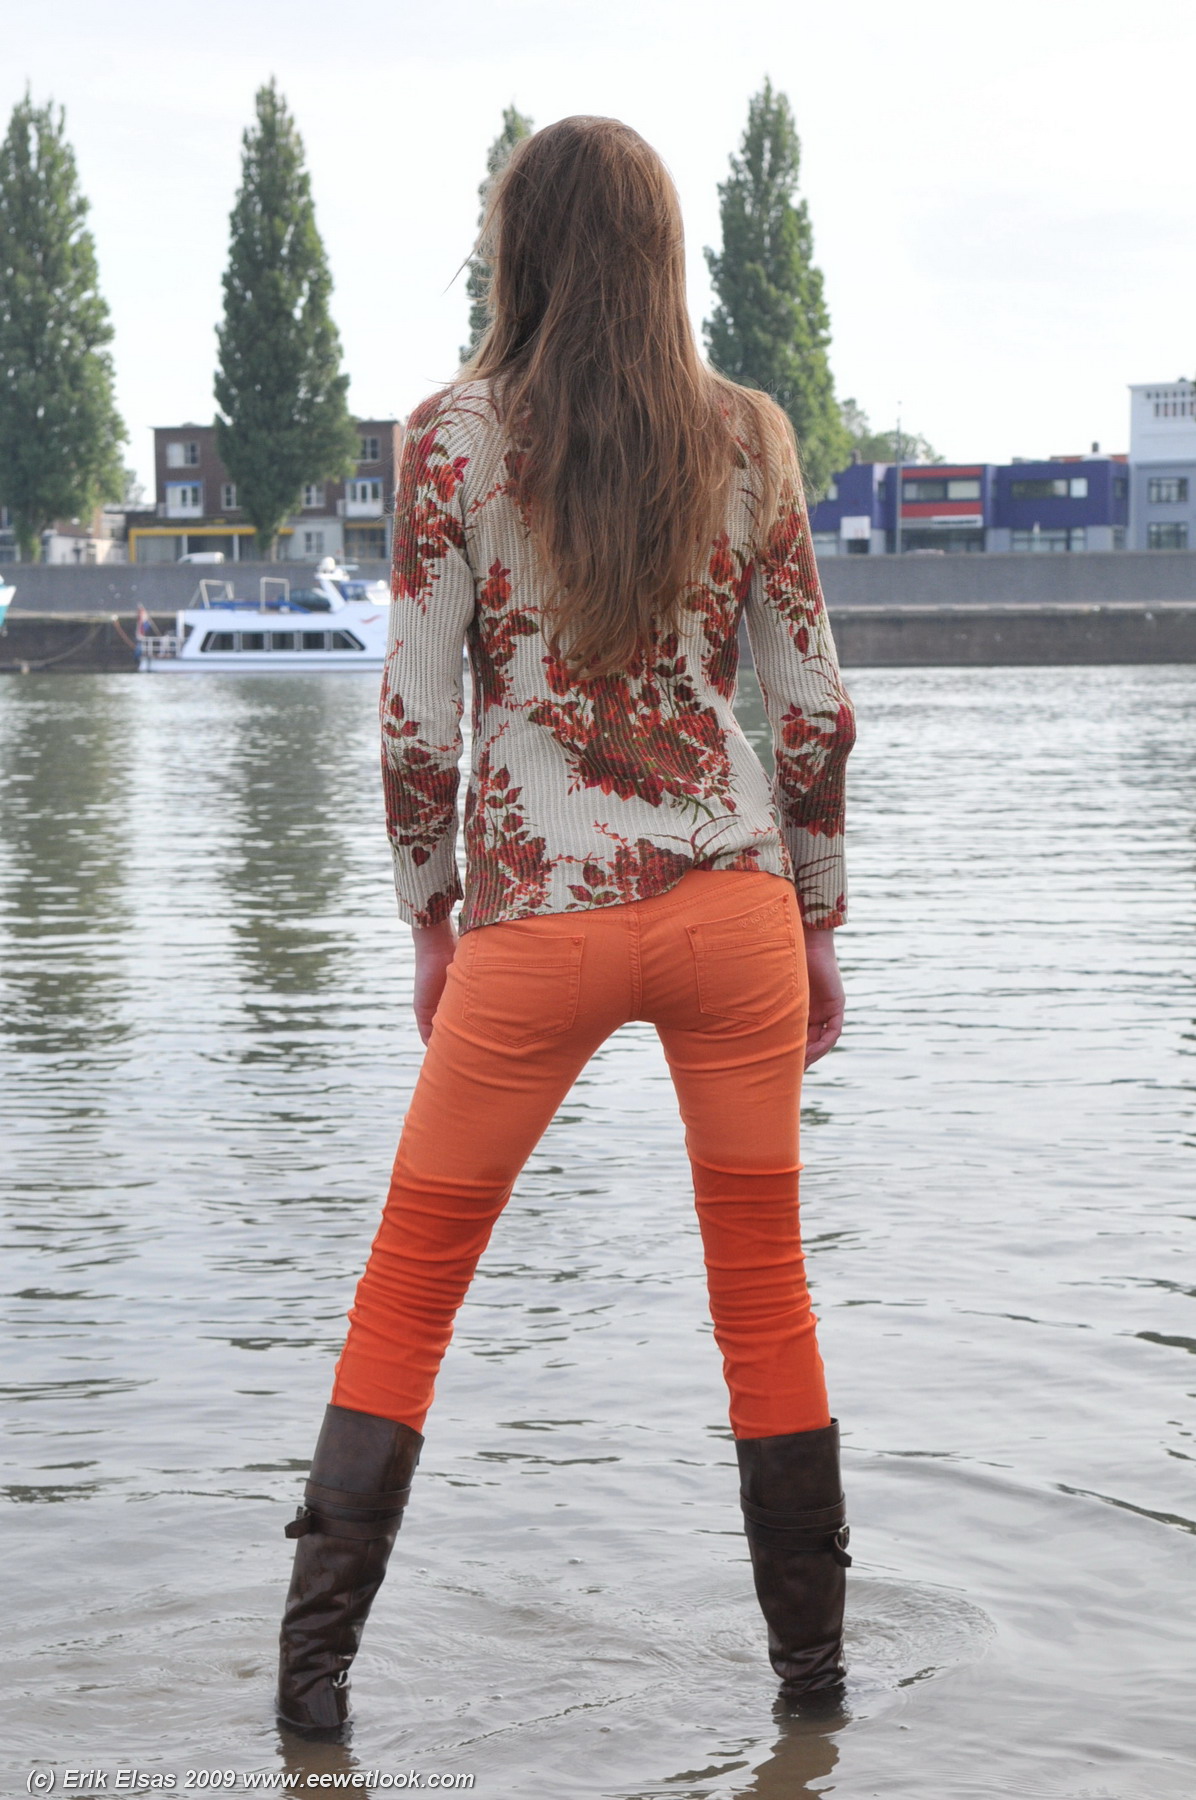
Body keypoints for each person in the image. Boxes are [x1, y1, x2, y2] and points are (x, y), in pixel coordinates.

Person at [276, 115, 856, 1735]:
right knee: (767, 1302)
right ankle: (814, 1705)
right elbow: (813, 710)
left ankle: (310, 1709)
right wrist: (817, 922)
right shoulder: (748, 435)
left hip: (536, 921)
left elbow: (416, 720)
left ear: (515, 251)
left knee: (408, 1292)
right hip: (732, 907)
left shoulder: (449, 439)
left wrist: (430, 920)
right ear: (665, 255)